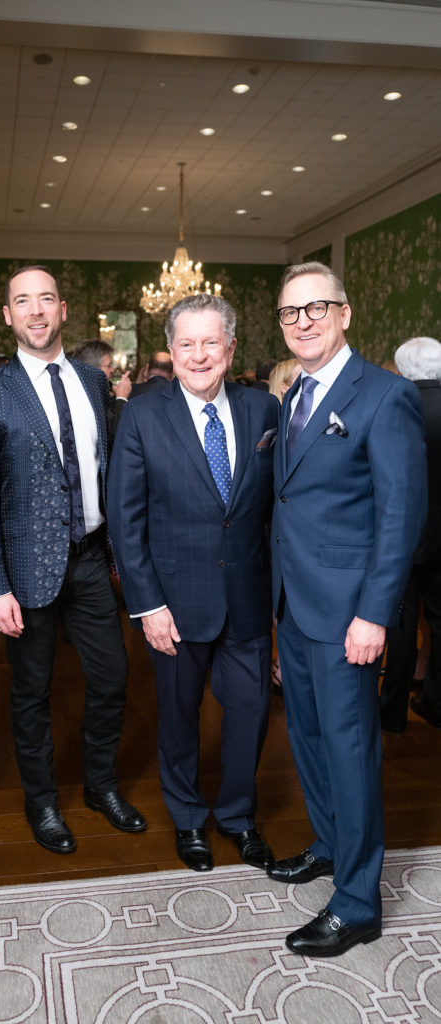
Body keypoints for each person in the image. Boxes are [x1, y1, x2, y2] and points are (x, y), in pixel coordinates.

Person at [268, 261, 426, 957]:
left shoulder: (385, 396)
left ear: (345, 314)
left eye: (316, 308)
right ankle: (330, 845)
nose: (303, 321)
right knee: (306, 740)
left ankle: (359, 903)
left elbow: (400, 516)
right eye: (290, 312)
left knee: (351, 751)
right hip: (294, 608)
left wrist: (374, 614)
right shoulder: (294, 394)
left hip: (347, 616)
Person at [0, 265, 146, 854]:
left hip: (91, 559)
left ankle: (100, 786)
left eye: (46, 300)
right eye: (23, 301)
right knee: (32, 693)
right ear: (8, 316)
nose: (36, 311)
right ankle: (41, 803)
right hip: (25, 570)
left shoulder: (95, 382)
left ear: (64, 310)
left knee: (113, 678)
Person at [107, 292, 279, 873]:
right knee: (179, 720)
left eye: (211, 342)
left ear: (230, 349)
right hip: (174, 604)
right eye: (187, 344)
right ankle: (187, 819)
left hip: (249, 598)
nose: (199, 355)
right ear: (171, 351)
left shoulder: (264, 412)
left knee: (251, 715)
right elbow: (125, 523)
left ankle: (237, 817)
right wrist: (147, 604)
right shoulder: (142, 415)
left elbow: (274, 511)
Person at [380, 337, 441, 731]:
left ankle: (392, 711)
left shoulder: (395, 404)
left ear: (402, 367)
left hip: (401, 532)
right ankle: (436, 701)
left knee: (400, 623)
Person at [72, 338, 131, 443]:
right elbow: (117, 433)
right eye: (108, 365)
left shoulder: (82, 389)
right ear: (93, 369)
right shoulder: (88, 397)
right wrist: (122, 397)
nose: (112, 370)